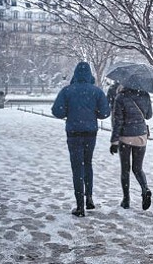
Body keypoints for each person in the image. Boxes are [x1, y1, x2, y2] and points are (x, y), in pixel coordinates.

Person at [52, 62, 111, 217]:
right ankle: (89, 198)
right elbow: (105, 113)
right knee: (88, 163)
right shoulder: (97, 92)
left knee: (77, 167)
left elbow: (57, 111)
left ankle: (79, 206)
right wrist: (94, 112)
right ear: (89, 74)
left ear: (76, 74)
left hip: (73, 132)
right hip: (90, 133)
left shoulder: (67, 91)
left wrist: (68, 111)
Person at [110, 86, 153, 210]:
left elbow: (118, 121)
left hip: (125, 137)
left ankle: (126, 199)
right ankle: (145, 189)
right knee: (138, 168)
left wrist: (114, 141)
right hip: (141, 136)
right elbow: (149, 115)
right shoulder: (145, 95)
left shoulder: (120, 97)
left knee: (125, 169)